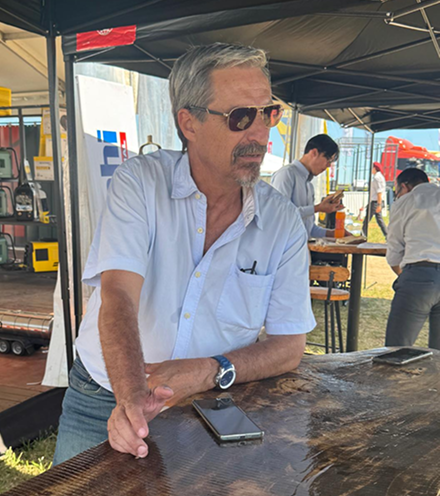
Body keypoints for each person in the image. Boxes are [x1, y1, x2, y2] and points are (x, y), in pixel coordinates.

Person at [53, 43, 316, 465]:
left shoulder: (282, 221)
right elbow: (118, 294)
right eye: (240, 117)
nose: (260, 133)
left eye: (268, 113)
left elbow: (289, 346)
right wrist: (132, 399)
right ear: (188, 123)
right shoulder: (140, 183)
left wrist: (210, 370)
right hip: (105, 394)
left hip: (213, 400)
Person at [385, 167, 440, 349]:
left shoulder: (405, 202)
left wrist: (404, 276)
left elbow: (394, 251)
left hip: (419, 274)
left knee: (396, 349)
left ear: (404, 186)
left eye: (397, 191)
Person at [271, 134, 350, 238]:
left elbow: (310, 230)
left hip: (302, 246)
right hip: (283, 246)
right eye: (328, 160)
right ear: (314, 153)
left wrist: (334, 233)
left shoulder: (309, 185)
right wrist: (318, 208)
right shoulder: (286, 174)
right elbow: (281, 215)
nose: (328, 166)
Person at [362, 162, 387, 238]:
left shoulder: (377, 178)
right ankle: (387, 235)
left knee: (366, 221)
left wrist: (379, 204)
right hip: (376, 201)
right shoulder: (379, 177)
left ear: (375, 168)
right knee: (379, 220)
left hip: (376, 202)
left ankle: (363, 236)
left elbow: (379, 192)